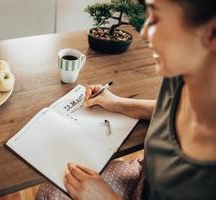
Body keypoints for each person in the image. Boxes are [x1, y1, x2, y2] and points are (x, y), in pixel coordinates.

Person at [37, 0, 216, 199]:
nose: (145, 33)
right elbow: (167, 106)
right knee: (52, 189)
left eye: (157, 18)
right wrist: (115, 103)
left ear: (212, 32)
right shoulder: (179, 76)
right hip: (145, 178)